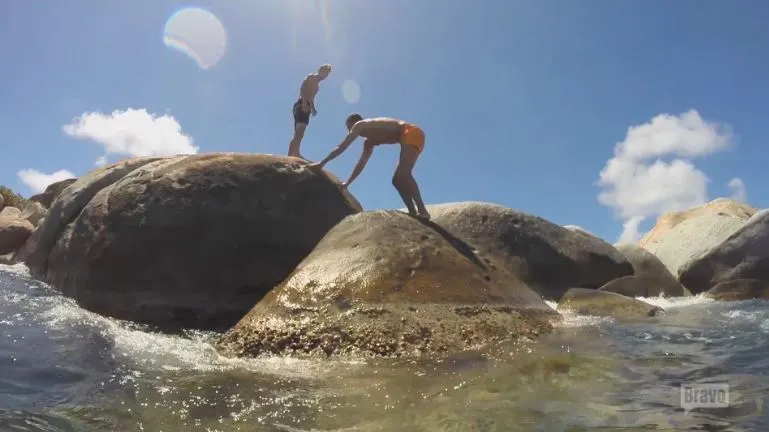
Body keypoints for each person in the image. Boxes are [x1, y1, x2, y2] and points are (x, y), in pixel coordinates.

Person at [310, 113, 431, 219]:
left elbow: (342, 146)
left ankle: (422, 211)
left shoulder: (360, 124)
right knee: (396, 180)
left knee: (404, 174)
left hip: (411, 132)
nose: (349, 130)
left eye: (348, 126)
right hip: (409, 137)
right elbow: (361, 163)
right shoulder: (369, 142)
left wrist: (322, 163)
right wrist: (348, 183)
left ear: (354, 121)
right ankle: (413, 212)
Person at [287, 64, 332, 160]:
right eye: (325, 72)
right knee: (299, 131)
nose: (325, 76)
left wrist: (313, 109)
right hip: (301, 105)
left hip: (306, 106)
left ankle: (295, 153)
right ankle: (291, 156)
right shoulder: (312, 77)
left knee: (300, 132)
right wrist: (303, 102)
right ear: (320, 70)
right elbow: (302, 89)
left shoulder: (317, 86)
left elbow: (311, 98)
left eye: (327, 74)